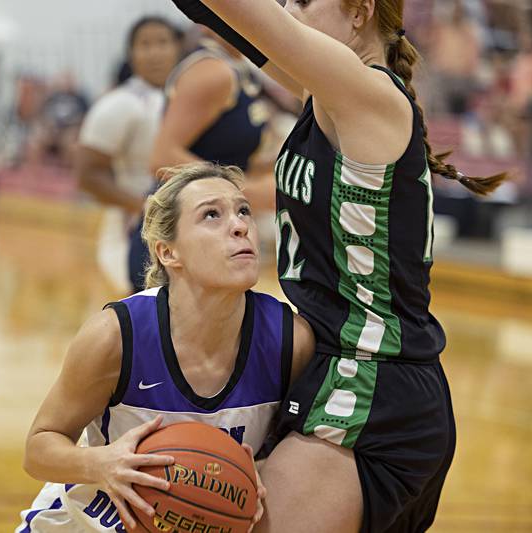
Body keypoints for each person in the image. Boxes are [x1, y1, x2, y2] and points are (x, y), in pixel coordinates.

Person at [168, 1, 508, 532]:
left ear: (359, 13)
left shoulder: (369, 95)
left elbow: (253, 18)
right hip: (340, 371)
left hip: (372, 383)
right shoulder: (323, 96)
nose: (286, 8)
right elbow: (221, 17)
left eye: (302, 0)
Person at [17, 163, 314, 533]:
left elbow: (298, 452)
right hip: (88, 523)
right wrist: (102, 463)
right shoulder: (116, 337)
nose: (240, 226)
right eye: (211, 215)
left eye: (243, 211)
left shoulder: (290, 340)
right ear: (168, 252)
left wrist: (255, 480)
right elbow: (39, 449)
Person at [125, 30, 271, 292]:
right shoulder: (212, 71)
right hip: (181, 236)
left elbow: (228, 157)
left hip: (217, 231)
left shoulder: (240, 67)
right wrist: (253, 194)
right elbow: (163, 159)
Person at [75, 17, 182, 294]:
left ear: (178, 48)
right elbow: (87, 175)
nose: (155, 52)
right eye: (145, 44)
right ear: (130, 53)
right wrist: (142, 207)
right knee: (144, 311)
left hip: (182, 225)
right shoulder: (118, 105)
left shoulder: (191, 98)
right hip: (130, 229)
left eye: (162, 42)